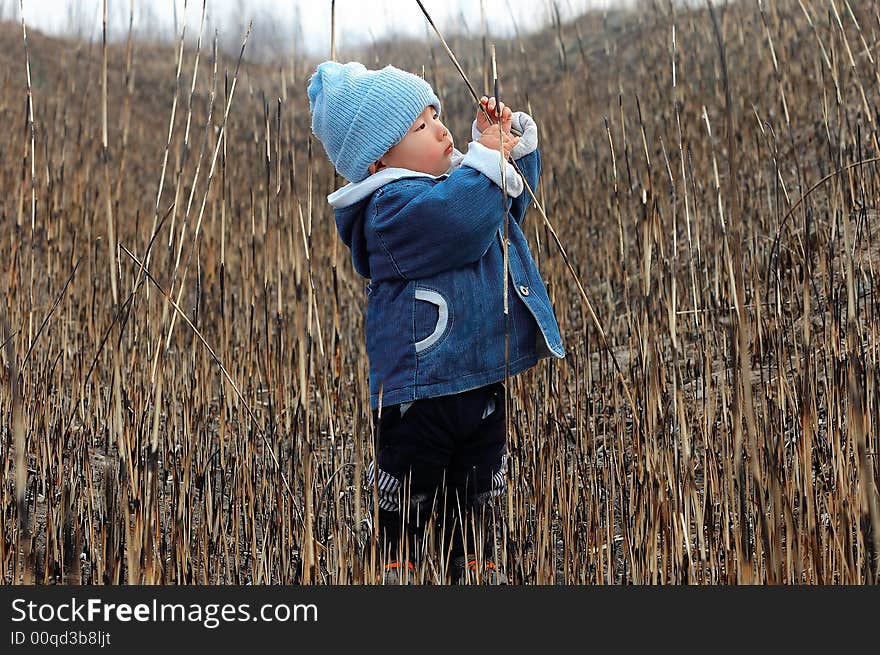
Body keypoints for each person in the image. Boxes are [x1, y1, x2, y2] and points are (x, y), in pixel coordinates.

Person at [307, 61, 564, 584]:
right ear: (377, 158)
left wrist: (510, 147)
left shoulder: (449, 188)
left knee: (477, 508)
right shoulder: (390, 210)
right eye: (422, 125)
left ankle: (472, 575)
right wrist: (487, 157)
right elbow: (463, 217)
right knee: (407, 506)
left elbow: (502, 211)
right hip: (419, 400)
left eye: (436, 116)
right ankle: (397, 576)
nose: (443, 130)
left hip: (479, 383)